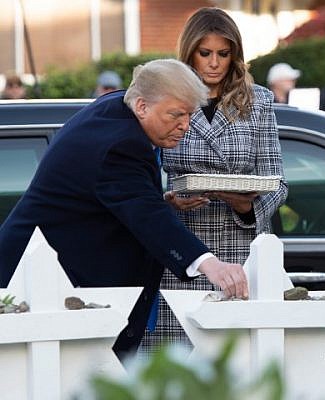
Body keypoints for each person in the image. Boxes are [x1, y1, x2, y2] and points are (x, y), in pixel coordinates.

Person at [0, 59, 248, 360]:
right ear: (142, 106)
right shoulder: (121, 143)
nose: (185, 126)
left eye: (189, 115)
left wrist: (159, 200)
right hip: (37, 290)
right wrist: (210, 264)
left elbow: (121, 194)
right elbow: (148, 216)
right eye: (176, 115)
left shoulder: (118, 106)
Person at [141, 7, 288, 350]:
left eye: (223, 54)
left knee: (235, 364)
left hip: (239, 252)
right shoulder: (167, 99)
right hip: (180, 252)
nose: (214, 63)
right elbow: (141, 180)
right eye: (205, 53)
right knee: (177, 367)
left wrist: (246, 207)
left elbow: (277, 184)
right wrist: (168, 201)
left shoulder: (259, 101)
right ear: (189, 52)